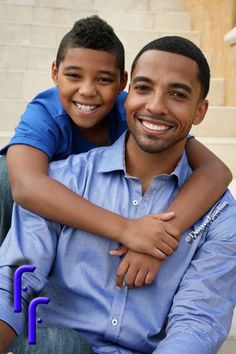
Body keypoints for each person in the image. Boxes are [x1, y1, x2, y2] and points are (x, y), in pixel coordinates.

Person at [0, 35, 236, 354]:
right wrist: (129, 230)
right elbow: (14, 282)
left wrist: (158, 242)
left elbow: (198, 322)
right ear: (127, 97)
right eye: (143, 88)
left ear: (200, 111)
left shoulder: (218, 215)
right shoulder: (63, 177)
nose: (155, 106)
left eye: (177, 95)